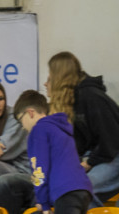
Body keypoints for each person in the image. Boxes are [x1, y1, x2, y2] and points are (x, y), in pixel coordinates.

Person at [46, 51, 119, 205]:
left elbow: (111, 141)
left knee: (81, 186)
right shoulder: (71, 101)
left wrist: (88, 163)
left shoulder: (92, 97)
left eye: (50, 76)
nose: (47, 82)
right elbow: (78, 145)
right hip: (98, 155)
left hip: (113, 155)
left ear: (59, 75)